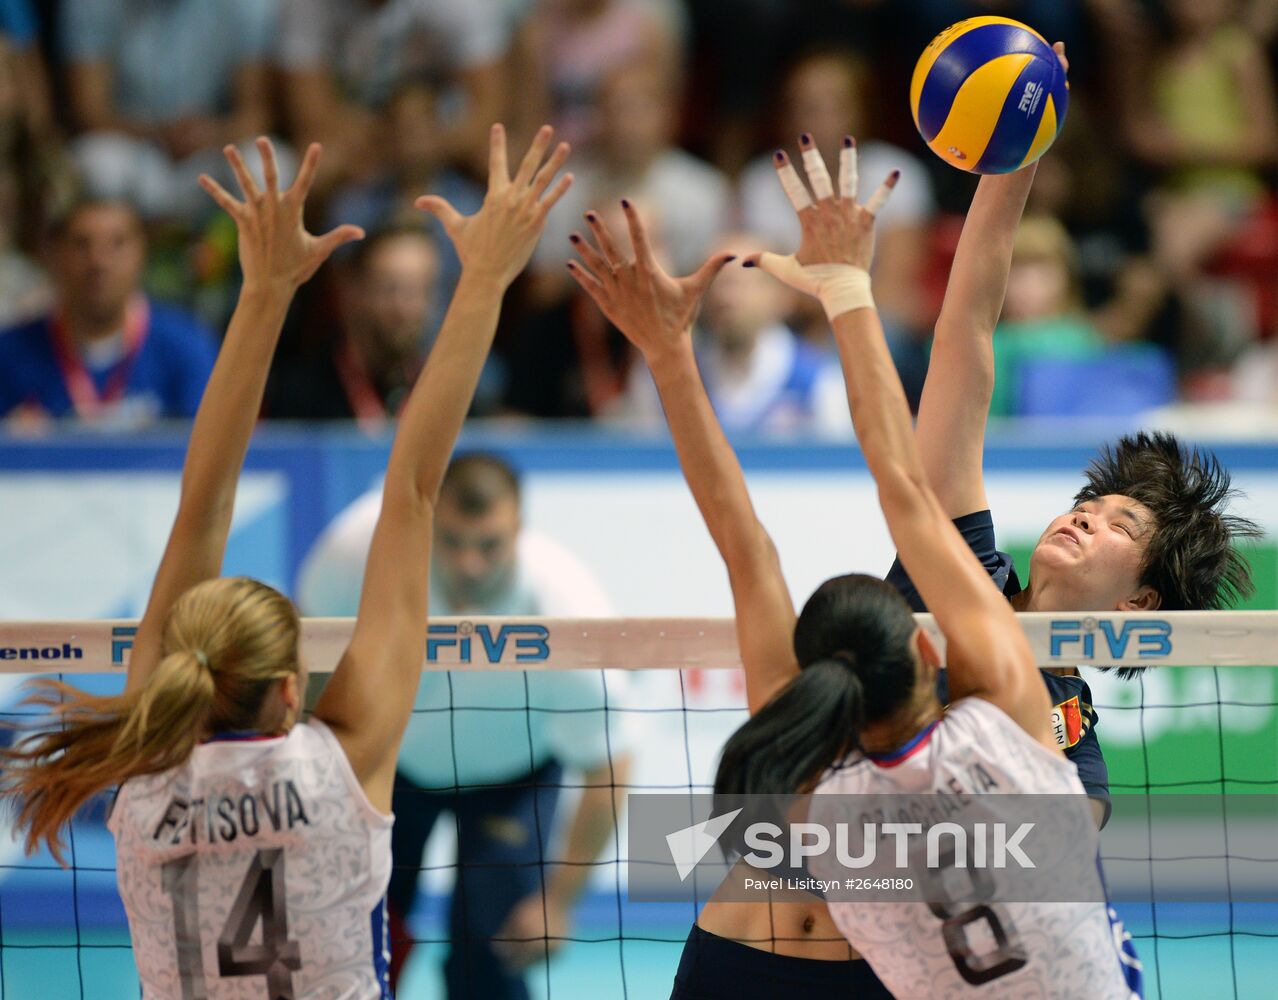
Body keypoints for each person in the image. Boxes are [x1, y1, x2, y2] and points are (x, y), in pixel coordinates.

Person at [0, 124, 573, 997]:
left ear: (180, 675)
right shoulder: (338, 774)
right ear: (293, 689)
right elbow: (416, 489)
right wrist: (486, 279)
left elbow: (203, 511)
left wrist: (263, 292)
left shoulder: (140, 787)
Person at [712, 132, 1144, 999]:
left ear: (1142, 602)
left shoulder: (1069, 745)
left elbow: (1019, 906)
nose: (1087, 515)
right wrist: (1012, 166)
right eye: (1087, 503)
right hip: (748, 953)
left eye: (1123, 523)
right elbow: (964, 341)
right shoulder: (959, 571)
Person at [297, 452, 631, 998]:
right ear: (428, 519)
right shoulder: (359, 552)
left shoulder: (566, 606)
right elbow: (306, 665)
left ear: (520, 529)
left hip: (513, 777)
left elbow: (609, 766)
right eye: (452, 541)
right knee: (355, 950)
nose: (469, 563)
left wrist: (561, 900)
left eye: (489, 545)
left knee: (494, 957)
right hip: (391, 766)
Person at [0, 198, 217, 426]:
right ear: (54, 254)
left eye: (117, 243)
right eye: (82, 244)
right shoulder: (9, 353)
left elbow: (215, 448)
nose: (99, 261)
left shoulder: (187, 347)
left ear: (141, 253)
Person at [60, 0, 281, 223]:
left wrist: (211, 134)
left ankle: (240, 256)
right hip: (135, 146)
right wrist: (158, 133)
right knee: (98, 166)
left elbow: (256, 112)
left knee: (268, 169)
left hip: (212, 150)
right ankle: (119, 254)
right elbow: (90, 111)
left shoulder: (249, 5)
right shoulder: (92, 4)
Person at [265, 225, 440, 425]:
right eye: (390, 289)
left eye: (420, 291)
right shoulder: (301, 392)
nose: (405, 309)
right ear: (352, 289)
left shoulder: (447, 392)